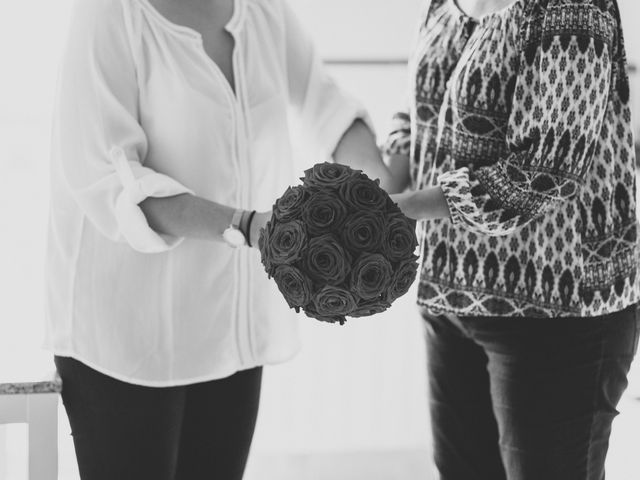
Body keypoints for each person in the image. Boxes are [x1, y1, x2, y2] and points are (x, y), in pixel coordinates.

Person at [45, 0, 389, 478]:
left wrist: (375, 196)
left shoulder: (261, 10)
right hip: (127, 336)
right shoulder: (111, 14)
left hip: (230, 329)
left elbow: (324, 103)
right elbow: (112, 181)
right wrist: (250, 225)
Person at [384, 0, 640, 478]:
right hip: (451, 294)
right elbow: (416, 116)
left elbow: (546, 170)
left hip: (557, 309)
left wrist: (398, 209)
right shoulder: (444, 4)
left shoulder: (575, 7)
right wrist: (369, 197)